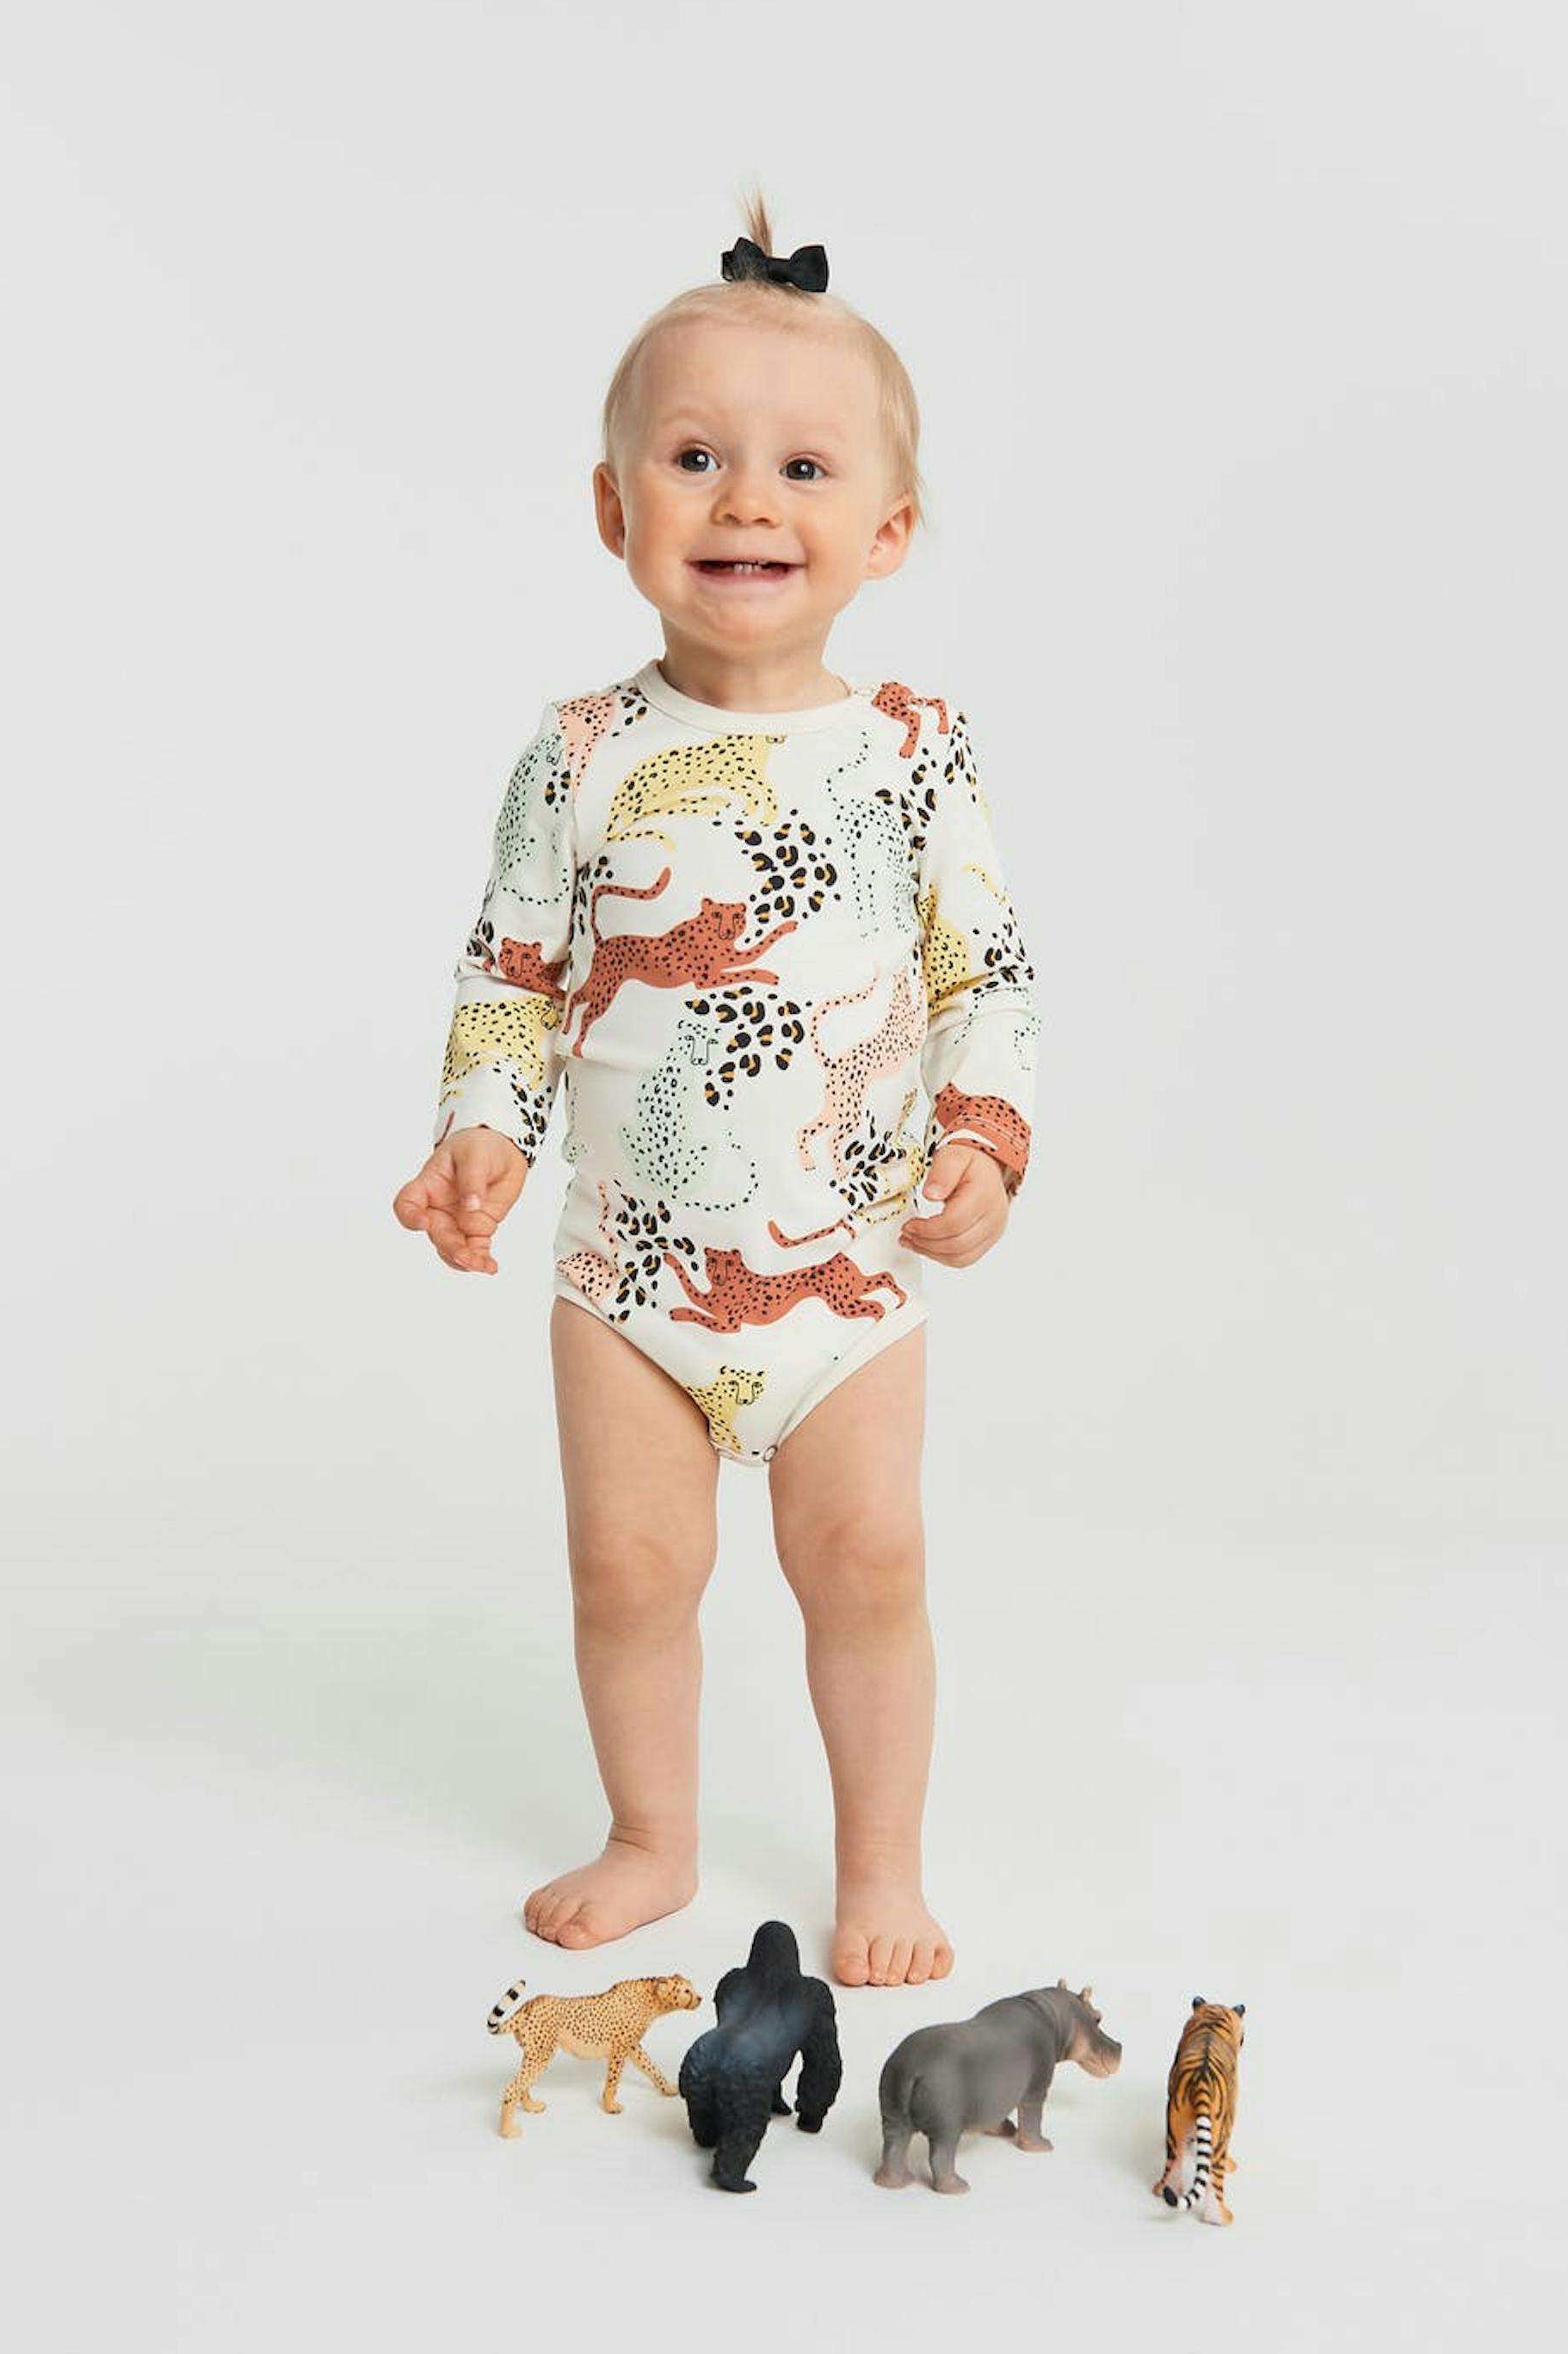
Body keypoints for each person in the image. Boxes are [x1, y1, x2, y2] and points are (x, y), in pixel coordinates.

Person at [392, 196, 1040, 1986]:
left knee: (868, 1566)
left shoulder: (914, 751)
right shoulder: (582, 752)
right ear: (617, 512)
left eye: (803, 469)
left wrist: (987, 1143)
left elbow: (985, 972)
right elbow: (515, 971)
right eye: (694, 460)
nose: (747, 501)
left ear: (886, 530)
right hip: (632, 1286)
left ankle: (882, 1868)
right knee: (627, 1573)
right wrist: (479, 1132)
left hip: (846, 1281)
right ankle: (652, 1837)